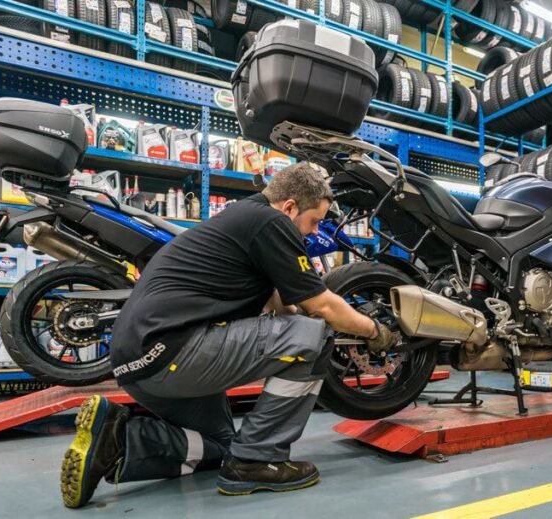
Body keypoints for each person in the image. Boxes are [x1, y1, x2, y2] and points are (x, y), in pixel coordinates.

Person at [59, 163, 400, 508]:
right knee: (316, 334)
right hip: (173, 352)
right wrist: (376, 331)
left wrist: (301, 315)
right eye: (314, 221)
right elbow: (322, 308)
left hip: (135, 364)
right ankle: (257, 460)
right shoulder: (272, 223)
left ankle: (119, 439)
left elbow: (284, 308)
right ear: (290, 208)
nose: (313, 233)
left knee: (223, 446)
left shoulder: (242, 220)